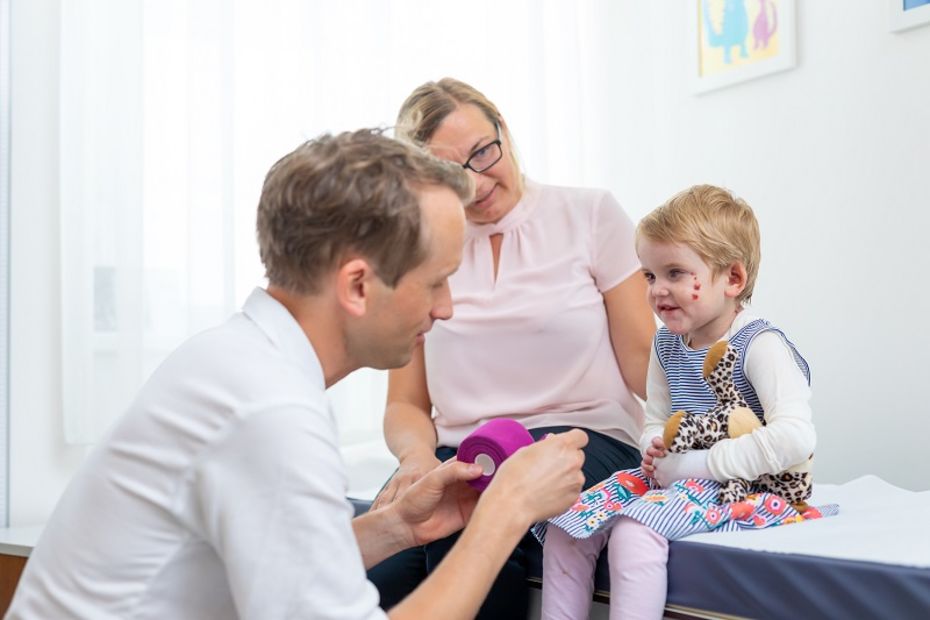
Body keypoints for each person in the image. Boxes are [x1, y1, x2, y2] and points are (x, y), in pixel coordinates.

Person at [5, 129, 591, 620]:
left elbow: (276, 571)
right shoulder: (269, 410)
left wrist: (395, 529)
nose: (446, 308)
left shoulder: (234, 360)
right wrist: (505, 514)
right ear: (358, 285)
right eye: (436, 280)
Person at [367, 78, 656, 617]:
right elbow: (405, 403)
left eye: (483, 151)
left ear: (503, 129)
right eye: (453, 174)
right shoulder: (421, 253)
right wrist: (416, 459)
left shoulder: (590, 215)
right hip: (463, 454)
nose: (477, 181)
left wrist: (707, 421)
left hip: (582, 439)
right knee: (371, 579)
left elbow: (645, 364)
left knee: (474, 513)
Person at [540, 184, 816, 619]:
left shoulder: (758, 345)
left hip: (745, 484)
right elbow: (656, 419)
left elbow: (796, 438)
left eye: (673, 273)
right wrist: (654, 445)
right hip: (675, 476)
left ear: (733, 279)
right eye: (650, 275)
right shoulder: (667, 344)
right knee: (569, 524)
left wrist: (698, 466)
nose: (656, 290)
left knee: (635, 530)